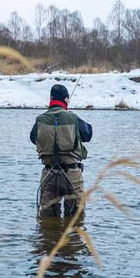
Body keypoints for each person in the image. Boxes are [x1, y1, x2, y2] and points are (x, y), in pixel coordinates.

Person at [30, 84, 93, 217]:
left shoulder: (40, 120)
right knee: (76, 220)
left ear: (51, 99)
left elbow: (32, 138)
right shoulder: (74, 118)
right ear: (65, 100)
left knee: (47, 221)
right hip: (72, 175)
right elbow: (88, 134)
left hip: (48, 175)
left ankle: (49, 236)